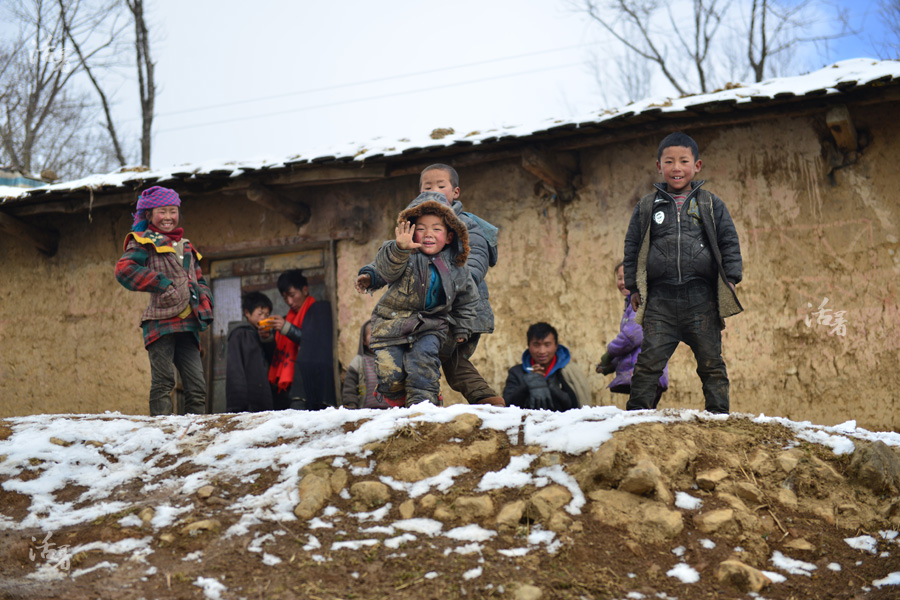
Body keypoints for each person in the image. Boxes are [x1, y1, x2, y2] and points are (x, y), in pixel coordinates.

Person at [356, 164, 504, 407]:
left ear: (456, 192)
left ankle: (427, 402)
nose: (435, 190)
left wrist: (453, 273)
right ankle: (477, 397)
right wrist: (372, 275)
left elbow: (474, 265)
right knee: (437, 358)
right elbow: (388, 265)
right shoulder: (413, 233)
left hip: (455, 309)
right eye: (428, 187)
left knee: (434, 358)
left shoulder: (465, 225)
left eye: (441, 186)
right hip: (419, 314)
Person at [623, 132, 743, 414]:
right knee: (648, 362)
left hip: (701, 299)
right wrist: (634, 287)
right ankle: (636, 415)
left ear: (697, 165)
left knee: (711, 361)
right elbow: (631, 247)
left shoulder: (710, 204)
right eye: (669, 162)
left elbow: (729, 241)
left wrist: (731, 279)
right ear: (659, 166)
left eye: (684, 161)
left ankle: (718, 416)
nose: (677, 168)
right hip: (660, 301)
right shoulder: (647, 207)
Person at [115, 186, 214, 416]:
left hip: (188, 323)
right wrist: (162, 284)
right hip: (160, 322)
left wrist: (205, 299)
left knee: (197, 386)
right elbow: (124, 269)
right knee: (163, 382)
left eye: (173, 211)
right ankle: (161, 434)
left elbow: (199, 278)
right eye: (162, 211)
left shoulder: (185, 245)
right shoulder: (142, 241)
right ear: (149, 214)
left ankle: (195, 432)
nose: (168, 217)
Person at [597, 261, 668, 407]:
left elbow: (631, 338)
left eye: (627, 277)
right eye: (620, 278)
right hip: (643, 374)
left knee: (639, 413)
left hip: (647, 374)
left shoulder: (642, 303)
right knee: (642, 415)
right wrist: (613, 364)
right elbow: (633, 349)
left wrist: (609, 354)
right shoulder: (630, 305)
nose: (623, 282)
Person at [267, 269, 336, 410]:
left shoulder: (319, 310)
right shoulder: (288, 319)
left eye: (292, 295)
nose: (289, 302)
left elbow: (313, 343)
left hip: (309, 385)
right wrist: (266, 337)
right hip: (288, 389)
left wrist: (287, 328)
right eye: (285, 298)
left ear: (305, 290)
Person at [503, 322, 591, 411]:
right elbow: (508, 404)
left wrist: (547, 385)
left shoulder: (567, 372)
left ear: (556, 346)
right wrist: (528, 383)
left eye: (547, 344)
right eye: (536, 345)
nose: (542, 351)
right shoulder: (516, 372)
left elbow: (574, 405)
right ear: (528, 346)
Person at [226, 291, 276, 412]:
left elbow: (273, 360)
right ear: (247, 313)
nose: (264, 317)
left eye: (267, 314)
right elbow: (235, 370)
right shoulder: (239, 334)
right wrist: (237, 405)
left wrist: (267, 339)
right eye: (260, 313)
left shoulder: (262, 335)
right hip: (247, 401)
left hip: (263, 397)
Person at [340, 320, 390, 409]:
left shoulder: (392, 361)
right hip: (365, 412)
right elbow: (349, 388)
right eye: (372, 334)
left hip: (390, 413)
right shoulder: (358, 362)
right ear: (364, 341)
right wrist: (351, 404)